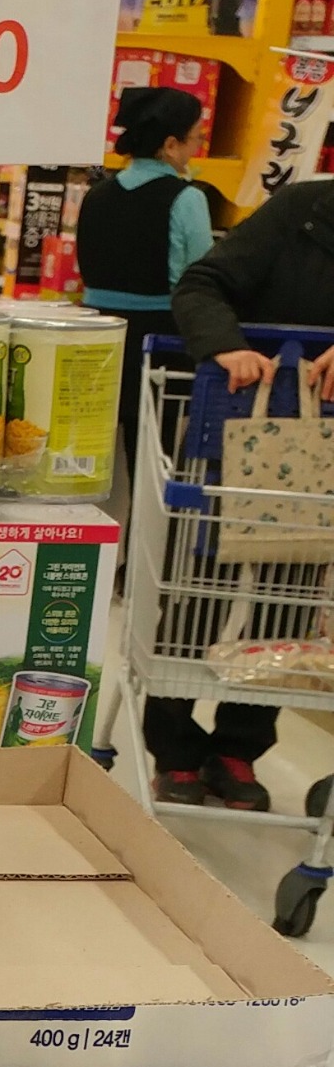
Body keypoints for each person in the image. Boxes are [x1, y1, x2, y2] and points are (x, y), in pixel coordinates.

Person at [139, 180, 334, 810]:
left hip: (324, 454)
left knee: (289, 603)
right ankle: (175, 750)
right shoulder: (302, 212)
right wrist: (226, 344)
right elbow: (202, 284)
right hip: (232, 428)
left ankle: (238, 749)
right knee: (197, 590)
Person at [75, 86, 213, 478]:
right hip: (159, 341)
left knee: (84, 456)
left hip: (96, 337)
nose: (197, 148)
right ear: (170, 145)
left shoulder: (96, 195)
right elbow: (200, 277)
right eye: (196, 138)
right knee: (153, 463)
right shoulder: (187, 199)